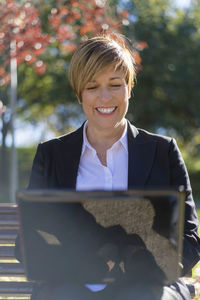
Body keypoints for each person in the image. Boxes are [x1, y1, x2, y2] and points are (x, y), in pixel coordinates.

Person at [15, 33, 200, 300]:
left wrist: (148, 263)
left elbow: (190, 239)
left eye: (115, 84)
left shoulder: (163, 151)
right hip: (72, 285)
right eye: (92, 87)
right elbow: (29, 242)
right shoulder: (51, 154)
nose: (104, 97)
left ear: (128, 87)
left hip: (146, 284)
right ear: (80, 94)